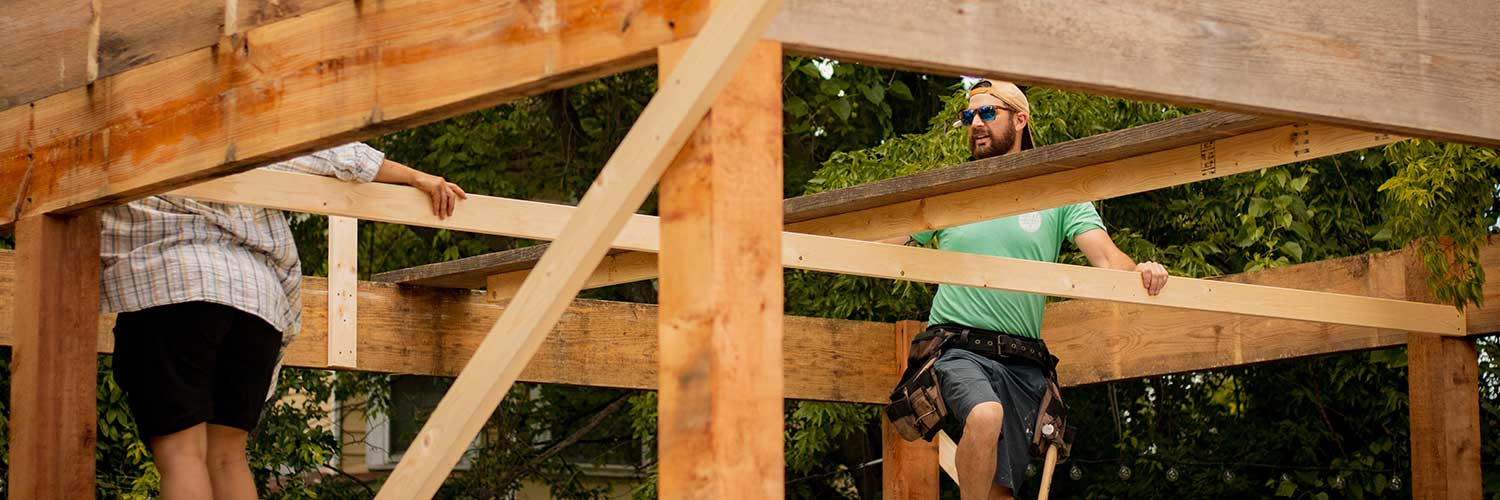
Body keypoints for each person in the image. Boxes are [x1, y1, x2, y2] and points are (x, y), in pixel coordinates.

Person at [101, 143, 466, 499]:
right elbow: (330, 155)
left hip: (172, 286)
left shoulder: (123, 138)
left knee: (182, 457)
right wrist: (418, 177)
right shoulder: (235, 133)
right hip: (257, 301)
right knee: (228, 459)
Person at [902, 81, 1169, 500]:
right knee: (986, 415)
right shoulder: (951, 191)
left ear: (1020, 120)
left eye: (988, 114)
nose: (975, 123)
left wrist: (1145, 271)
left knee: (1001, 493)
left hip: (1023, 360)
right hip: (958, 345)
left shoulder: (1059, 193)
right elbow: (884, 242)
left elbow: (1107, 259)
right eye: (969, 116)